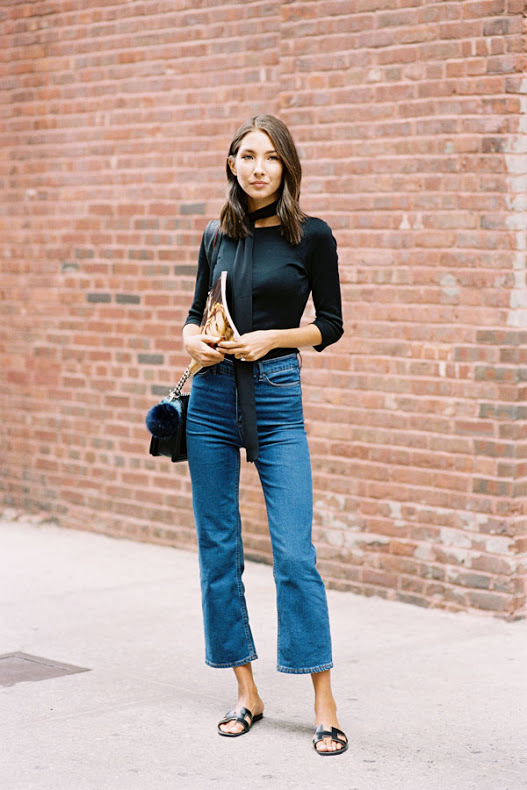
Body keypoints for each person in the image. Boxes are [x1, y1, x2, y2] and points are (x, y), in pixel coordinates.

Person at [182, 115, 347, 755]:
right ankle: (246, 689)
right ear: (231, 164)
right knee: (218, 550)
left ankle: (323, 697)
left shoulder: (313, 237)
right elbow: (195, 317)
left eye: (270, 157)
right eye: (246, 155)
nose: (257, 167)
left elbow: (329, 325)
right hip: (214, 399)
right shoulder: (215, 236)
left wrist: (274, 337)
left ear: (286, 167)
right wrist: (194, 340)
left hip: (277, 395)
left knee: (294, 553)